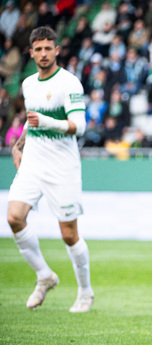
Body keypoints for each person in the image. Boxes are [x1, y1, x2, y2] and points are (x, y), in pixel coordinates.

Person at [6, 27, 93, 313]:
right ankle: (44, 276)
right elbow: (32, 122)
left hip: (62, 166)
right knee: (14, 217)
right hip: (33, 161)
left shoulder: (69, 83)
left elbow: (79, 126)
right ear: (30, 53)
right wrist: (19, 144)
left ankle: (85, 292)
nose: (43, 53)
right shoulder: (28, 84)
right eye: (38, 49)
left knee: (69, 234)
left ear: (57, 50)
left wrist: (47, 122)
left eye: (48, 48)